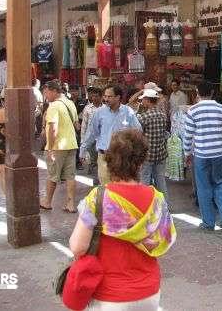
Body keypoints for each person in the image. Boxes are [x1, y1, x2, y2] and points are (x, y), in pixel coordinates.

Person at [69, 129, 176, 310]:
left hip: (110, 294)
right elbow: (165, 240)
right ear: (141, 162)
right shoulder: (156, 199)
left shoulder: (98, 198)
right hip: (149, 292)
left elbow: (77, 247)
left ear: (109, 160)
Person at [182, 81, 222, 230]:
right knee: (219, 183)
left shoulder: (193, 110)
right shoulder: (221, 109)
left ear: (197, 93)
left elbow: (188, 135)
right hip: (218, 154)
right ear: (212, 93)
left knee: (203, 188)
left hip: (201, 155)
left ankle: (208, 222)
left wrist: (187, 153)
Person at [80, 85, 142, 186]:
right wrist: (83, 149)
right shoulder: (99, 112)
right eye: (105, 96)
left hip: (122, 156)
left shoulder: (128, 112)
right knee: (105, 187)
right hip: (104, 156)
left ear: (118, 97)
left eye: (109, 96)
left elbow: (138, 131)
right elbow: (91, 132)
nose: (106, 99)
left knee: (121, 186)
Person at [40, 80, 79, 213]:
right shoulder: (70, 103)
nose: (45, 96)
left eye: (46, 93)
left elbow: (53, 128)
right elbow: (76, 124)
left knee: (52, 175)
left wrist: (50, 148)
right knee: (70, 176)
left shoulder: (54, 106)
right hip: (71, 144)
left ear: (54, 91)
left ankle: (47, 202)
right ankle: (70, 204)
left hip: (58, 146)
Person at [138, 89, 169, 198]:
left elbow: (138, 133)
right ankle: (165, 204)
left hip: (147, 154)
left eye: (143, 99)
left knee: (145, 180)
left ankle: (144, 204)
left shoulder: (144, 117)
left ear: (147, 100)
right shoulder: (163, 115)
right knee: (160, 181)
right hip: (160, 153)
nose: (142, 102)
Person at [81, 87, 103, 183]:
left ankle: (102, 179)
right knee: (94, 161)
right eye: (93, 96)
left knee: (102, 160)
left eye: (96, 96)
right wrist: (83, 140)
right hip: (91, 138)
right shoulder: (87, 108)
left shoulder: (105, 108)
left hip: (102, 139)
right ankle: (96, 182)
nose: (94, 98)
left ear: (101, 97)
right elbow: (84, 125)